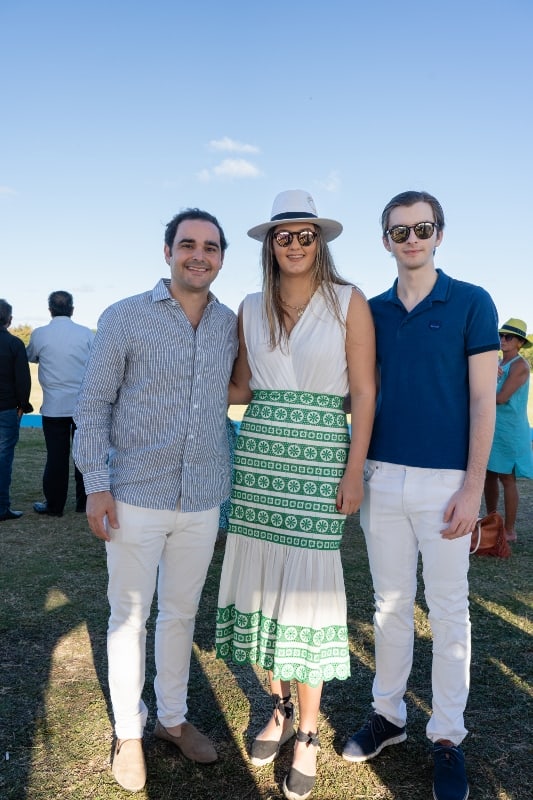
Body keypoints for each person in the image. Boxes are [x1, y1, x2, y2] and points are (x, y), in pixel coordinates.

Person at [215, 190, 376, 800]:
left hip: (317, 463)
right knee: (260, 589)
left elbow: (363, 392)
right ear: (269, 243)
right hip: (257, 461)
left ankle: (307, 732)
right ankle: (278, 708)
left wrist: (353, 470)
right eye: (285, 235)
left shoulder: (347, 301)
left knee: (307, 596)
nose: (296, 243)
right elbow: (239, 385)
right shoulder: (249, 305)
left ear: (321, 240)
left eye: (306, 234)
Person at [72, 209, 238, 793]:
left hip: (203, 495)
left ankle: (171, 717)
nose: (200, 254)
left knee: (182, 614)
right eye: (188, 244)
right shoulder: (124, 317)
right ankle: (129, 730)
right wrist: (96, 484)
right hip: (136, 491)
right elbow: (94, 405)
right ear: (167, 251)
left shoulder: (228, 324)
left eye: (211, 247)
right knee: (129, 617)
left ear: (222, 257)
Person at [341, 191, 499, 800]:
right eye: (400, 230)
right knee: (389, 604)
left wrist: (472, 486)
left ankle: (448, 736)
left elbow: (483, 400)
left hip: (445, 485)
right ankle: (390, 716)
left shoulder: (471, 302)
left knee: (451, 608)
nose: (412, 238)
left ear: (439, 234)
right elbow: (364, 394)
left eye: (422, 228)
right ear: (385, 240)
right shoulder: (372, 311)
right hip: (382, 475)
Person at [26, 291, 94, 516]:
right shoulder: (86, 334)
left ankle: (54, 505)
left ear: (50, 310)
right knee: (84, 455)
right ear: (72, 309)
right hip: (82, 405)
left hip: (54, 405)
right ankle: (83, 503)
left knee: (56, 456)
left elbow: (31, 357)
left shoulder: (40, 334)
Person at [484, 318, 533, 542]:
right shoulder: (498, 364)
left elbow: (502, 398)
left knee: (507, 478)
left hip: (510, 431)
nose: (503, 340)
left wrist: (475, 394)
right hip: (493, 428)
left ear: (520, 342)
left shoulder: (521, 366)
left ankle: (509, 530)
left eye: (509, 337)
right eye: (501, 336)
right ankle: (491, 521)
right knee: (489, 474)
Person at [0, 299, 33, 521]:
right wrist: (23, 404)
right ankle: (2, 506)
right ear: (9, 320)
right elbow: (23, 379)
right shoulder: (14, 344)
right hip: (7, 408)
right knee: (3, 458)